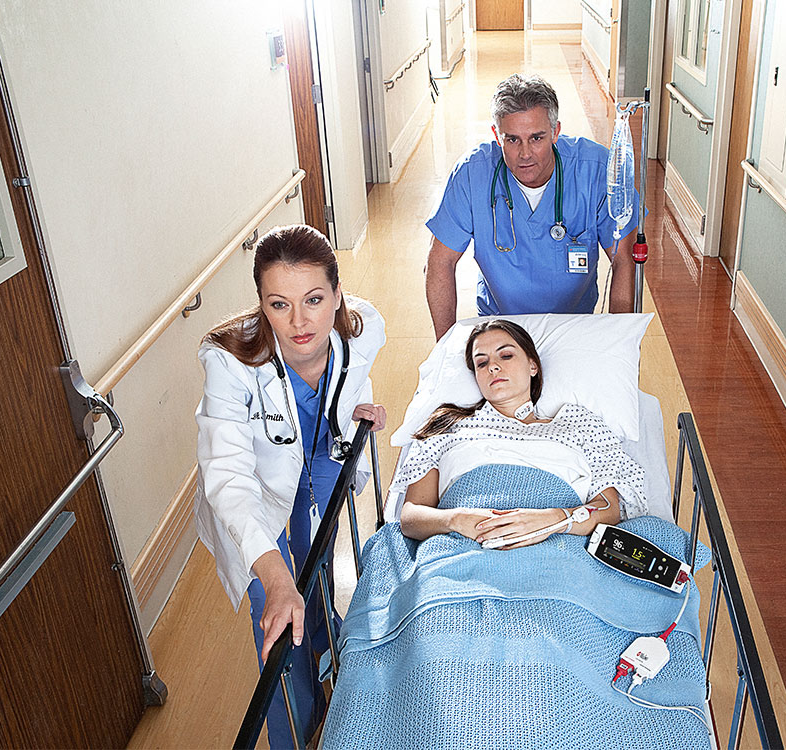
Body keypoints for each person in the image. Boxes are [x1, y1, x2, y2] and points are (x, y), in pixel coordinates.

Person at [194, 224, 386, 748]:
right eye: (279, 304)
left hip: (322, 453)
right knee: (278, 609)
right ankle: (296, 732)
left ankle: (329, 661)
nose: (300, 322)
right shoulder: (229, 361)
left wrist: (358, 413)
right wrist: (274, 575)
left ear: (338, 293)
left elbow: (353, 379)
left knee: (316, 562)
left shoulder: (364, 327)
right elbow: (228, 475)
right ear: (260, 303)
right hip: (257, 488)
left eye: (315, 299)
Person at [424, 73, 640, 340]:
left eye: (536, 138)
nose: (525, 153)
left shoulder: (595, 170)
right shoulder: (473, 174)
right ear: (496, 135)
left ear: (555, 131)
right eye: (512, 139)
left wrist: (620, 343)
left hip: (575, 327)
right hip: (500, 328)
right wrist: (446, 348)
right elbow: (440, 262)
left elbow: (624, 261)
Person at [395, 319, 646, 544]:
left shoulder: (582, 425)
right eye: (482, 363)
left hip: (558, 545)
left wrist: (554, 520)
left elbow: (608, 508)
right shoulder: (448, 425)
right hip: (463, 544)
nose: (493, 367)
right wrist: (456, 519)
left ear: (532, 366)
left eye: (505, 356)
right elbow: (411, 516)